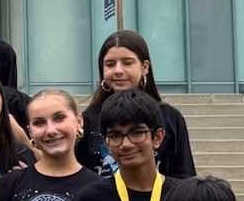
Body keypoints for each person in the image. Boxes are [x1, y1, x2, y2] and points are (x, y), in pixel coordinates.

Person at [80, 31, 195, 179]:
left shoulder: (169, 117)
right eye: (110, 64)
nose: (118, 71)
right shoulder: (87, 120)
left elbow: (184, 177)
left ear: (145, 67)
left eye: (127, 63)